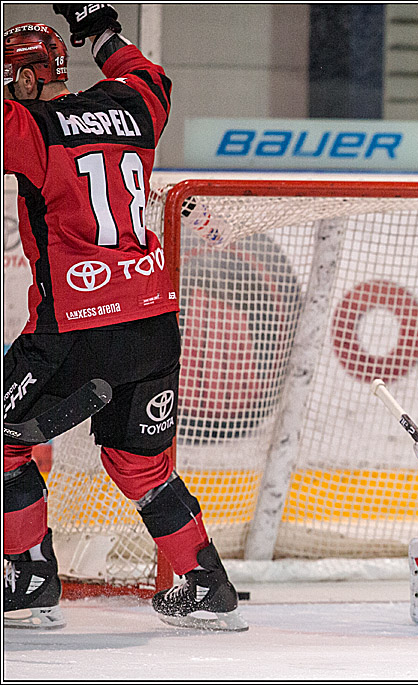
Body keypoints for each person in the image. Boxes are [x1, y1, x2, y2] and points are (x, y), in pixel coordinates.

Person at [3, 4, 244, 631]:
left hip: (77, 327)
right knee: (141, 466)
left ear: (26, 81)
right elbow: (153, 78)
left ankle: (28, 582)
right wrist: (104, 34)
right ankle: (206, 584)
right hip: (152, 320)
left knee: (6, 445)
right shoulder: (134, 106)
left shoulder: (29, 122)